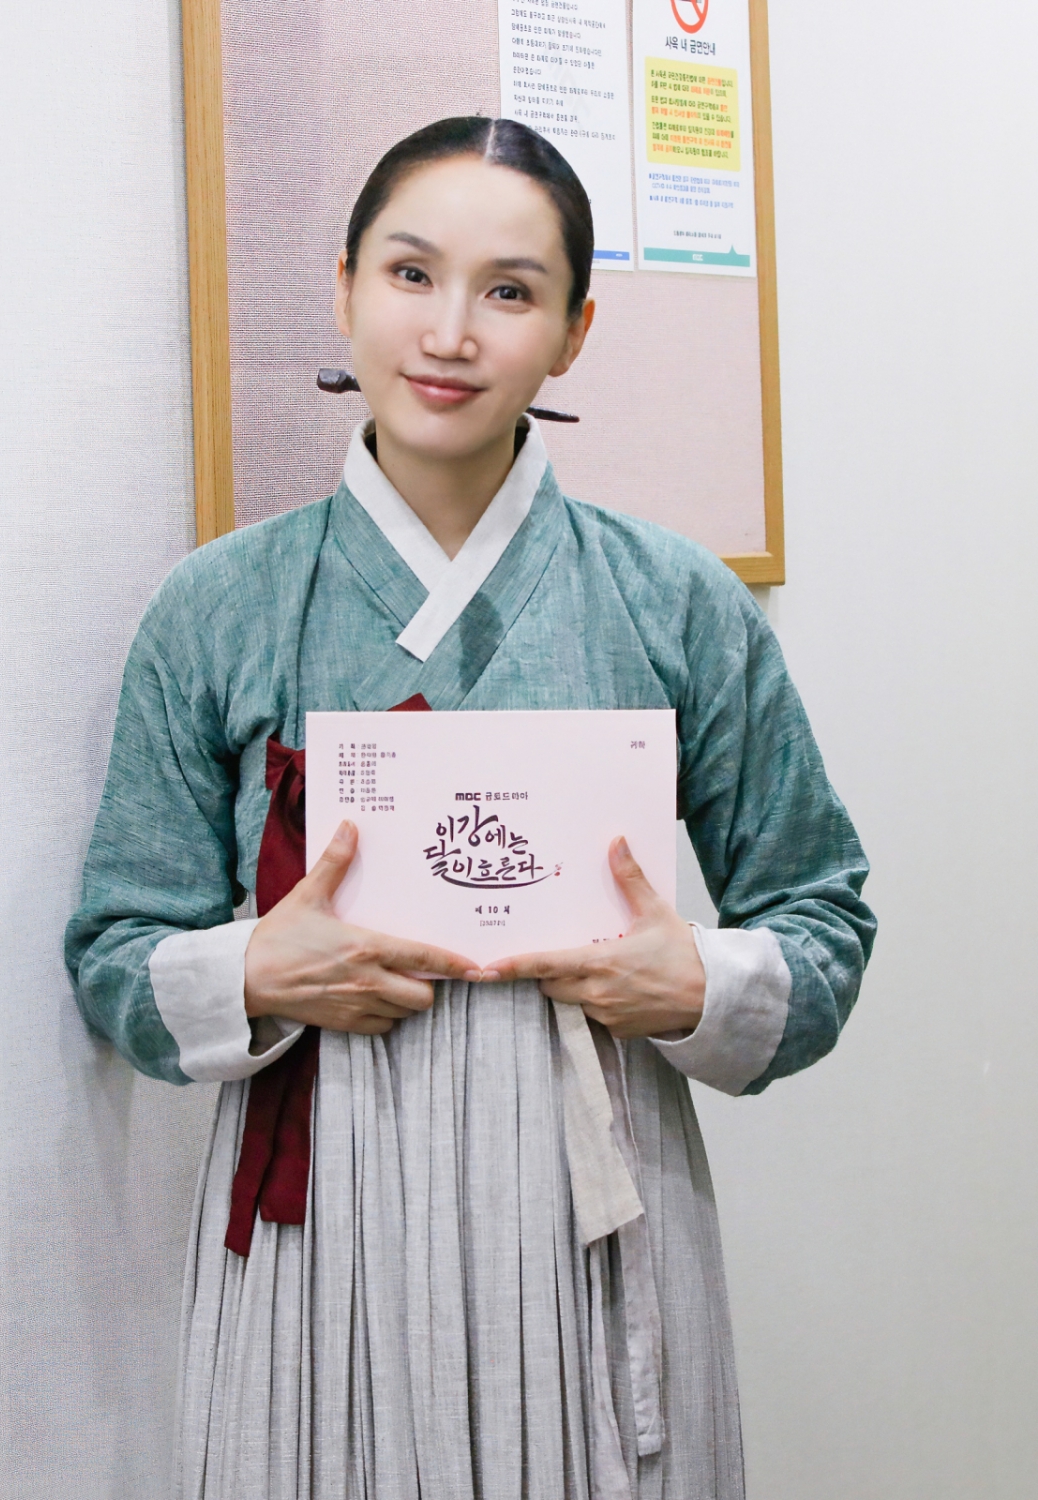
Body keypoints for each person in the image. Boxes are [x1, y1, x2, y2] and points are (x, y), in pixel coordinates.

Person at [65, 116, 874, 1500]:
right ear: (343, 289)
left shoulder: (675, 601)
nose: (450, 332)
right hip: (320, 1220)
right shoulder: (219, 606)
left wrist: (698, 981)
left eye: (510, 291)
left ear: (572, 333)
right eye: (410, 274)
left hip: (595, 1209)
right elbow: (113, 951)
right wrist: (253, 969)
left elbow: (823, 916)